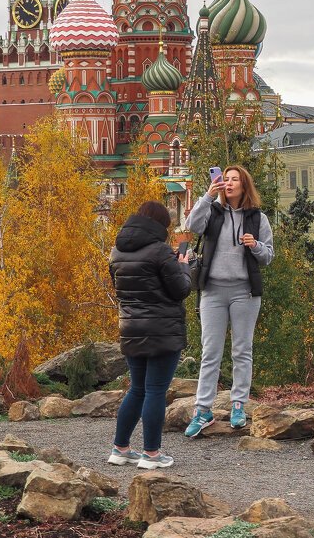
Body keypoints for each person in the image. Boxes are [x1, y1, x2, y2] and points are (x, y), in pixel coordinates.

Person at [184, 164, 274, 436]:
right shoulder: (212, 211)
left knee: (241, 350)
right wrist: (207, 196)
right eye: (227, 179)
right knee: (210, 353)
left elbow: (269, 256)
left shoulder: (258, 218)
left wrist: (255, 246)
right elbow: (191, 226)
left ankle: (238, 404)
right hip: (212, 291)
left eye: (236, 180)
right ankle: (203, 410)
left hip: (244, 292)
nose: (230, 183)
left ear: (245, 186)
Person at [108, 200, 191, 469]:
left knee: (138, 389)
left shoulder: (116, 252)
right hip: (161, 330)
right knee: (156, 390)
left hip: (130, 328)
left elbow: (123, 290)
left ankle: (120, 449)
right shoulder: (161, 252)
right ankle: (152, 454)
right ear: (159, 225)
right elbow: (180, 290)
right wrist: (185, 266)